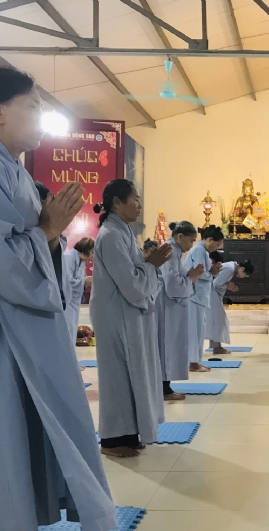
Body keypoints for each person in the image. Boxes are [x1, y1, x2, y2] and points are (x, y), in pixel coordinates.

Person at [0, 67, 116, 531]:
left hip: (23, 325)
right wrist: (47, 228)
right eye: (32, 106)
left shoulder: (16, 171)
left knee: (24, 438)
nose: (41, 119)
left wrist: (47, 231)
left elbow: (33, 248)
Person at [91, 179, 172, 458]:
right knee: (117, 377)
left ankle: (128, 433)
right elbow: (131, 283)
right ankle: (112, 440)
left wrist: (148, 264)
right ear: (117, 202)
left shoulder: (122, 231)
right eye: (135, 198)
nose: (139, 204)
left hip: (128, 313)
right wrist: (152, 265)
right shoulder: (110, 236)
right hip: (116, 315)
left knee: (130, 375)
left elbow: (136, 274)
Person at [159, 220, 202, 401]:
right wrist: (191, 278)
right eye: (190, 240)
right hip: (166, 307)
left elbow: (178, 277)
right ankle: (164, 389)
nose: (191, 245)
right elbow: (172, 283)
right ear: (180, 236)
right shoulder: (169, 251)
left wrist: (190, 276)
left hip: (173, 307)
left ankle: (165, 387)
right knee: (166, 346)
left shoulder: (176, 252)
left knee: (170, 346)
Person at [185, 225, 224, 372]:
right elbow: (199, 272)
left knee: (199, 330)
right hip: (194, 295)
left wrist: (211, 273)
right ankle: (192, 362)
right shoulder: (199, 250)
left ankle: (196, 361)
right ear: (209, 240)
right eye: (217, 244)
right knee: (194, 331)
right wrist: (212, 274)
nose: (216, 248)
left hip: (200, 296)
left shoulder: (203, 251)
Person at [205, 251, 253, 353]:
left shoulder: (231, 267)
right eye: (244, 275)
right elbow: (216, 284)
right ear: (242, 269)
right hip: (211, 293)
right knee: (217, 320)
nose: (242, 277)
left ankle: (216, 346)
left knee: (217, 320)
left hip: (213, 294)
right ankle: (216, 347)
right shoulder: (230, 269)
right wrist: (228, 285)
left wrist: (228, 285)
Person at [62, 237, 95, 346]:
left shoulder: (81, 261)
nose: (93, 258)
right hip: (66, 302)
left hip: (74, 302)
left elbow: (80, 280)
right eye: (93, 253)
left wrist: (86, 281)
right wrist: (84, 281)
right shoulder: (68, 258)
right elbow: (67, 282)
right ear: (89, 251)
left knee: (72, 331)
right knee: (66, 331)